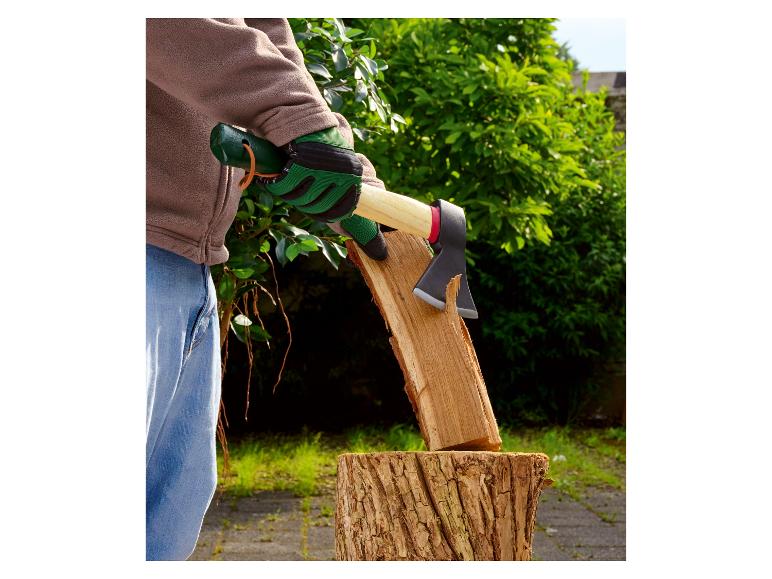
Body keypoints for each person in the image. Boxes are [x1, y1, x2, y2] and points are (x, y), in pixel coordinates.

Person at [145, 18, 388, 561]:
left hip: (191, 268)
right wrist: (289, 114)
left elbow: (267, 32)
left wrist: (348, 170)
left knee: (162, 531)